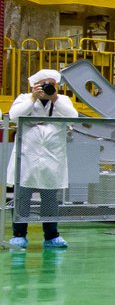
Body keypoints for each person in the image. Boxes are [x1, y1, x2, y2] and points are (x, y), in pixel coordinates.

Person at [7, 69, 78, 249]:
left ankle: (52, 236)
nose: (47, 87)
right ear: (34, 84)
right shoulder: (24, 98)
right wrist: (32, 98)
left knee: (50, 200)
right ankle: (19, 235)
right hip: (26, 158)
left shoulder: (62, 101)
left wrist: (54, 98)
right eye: (44, 83)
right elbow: (14, 115)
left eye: (51, 84)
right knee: (22, 198)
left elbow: (73, 116)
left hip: (52, 159)